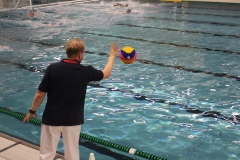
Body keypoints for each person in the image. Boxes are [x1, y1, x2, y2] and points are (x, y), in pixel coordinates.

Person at [23, 38, 119, 160]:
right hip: (73, 121)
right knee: (72, 155)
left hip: (52, 120)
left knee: (46, 155)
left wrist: (32, 111)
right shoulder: (86, 71)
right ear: (80, 54)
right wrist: (112, 55)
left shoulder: (53, 68)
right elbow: (106, 73)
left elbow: (40, 94)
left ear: (67, 53)